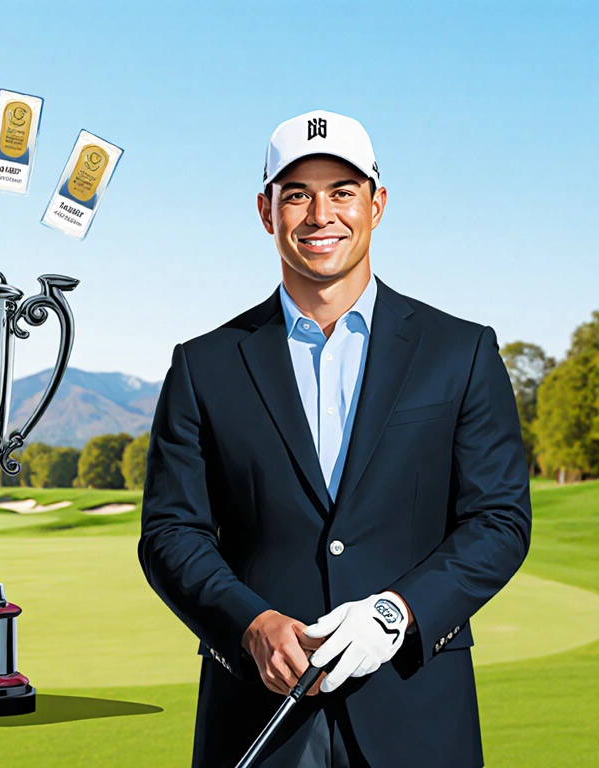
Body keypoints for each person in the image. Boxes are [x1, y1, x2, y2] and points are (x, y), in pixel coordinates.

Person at [137, 110, 531, 767]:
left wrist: (397, 611)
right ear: (266, 212)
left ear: (377, 204)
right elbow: (172, 532)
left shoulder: (459, 352)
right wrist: (250, 625)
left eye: (343, 191)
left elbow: (498, 521)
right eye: (297, 194)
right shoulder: (203, 365)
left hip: (416, 709)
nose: (321, 214)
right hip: (260, 714)